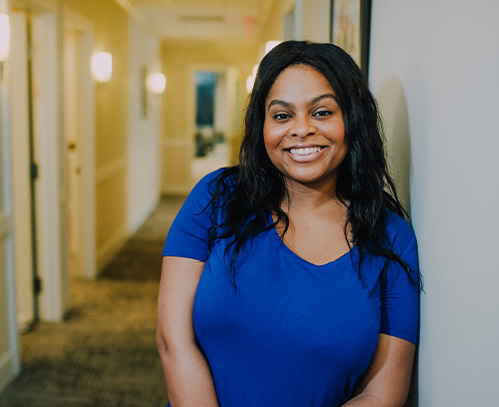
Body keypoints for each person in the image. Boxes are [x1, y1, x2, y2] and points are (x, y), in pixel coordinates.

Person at [156, 40, 422, 407]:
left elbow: (383, 391)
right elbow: (173, 340)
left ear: (353, 119)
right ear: (262, 125)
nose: (301, 130)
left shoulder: (391, 237)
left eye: (322, 112)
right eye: (282, 115)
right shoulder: (216, 197)